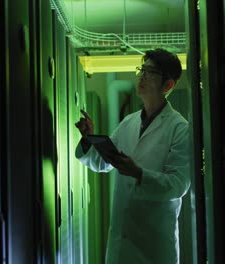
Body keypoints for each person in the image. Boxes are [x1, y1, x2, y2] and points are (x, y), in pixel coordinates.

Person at [75, 48, 190, 264]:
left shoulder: (179, 128)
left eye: (150, 72)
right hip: (122, 243)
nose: (141, 77)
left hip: (154, 246)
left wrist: (138, 173)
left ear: (168, 85)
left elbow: (178, 185)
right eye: (141, 70)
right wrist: (89, 138)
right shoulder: (129, 121)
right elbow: (104, 163)